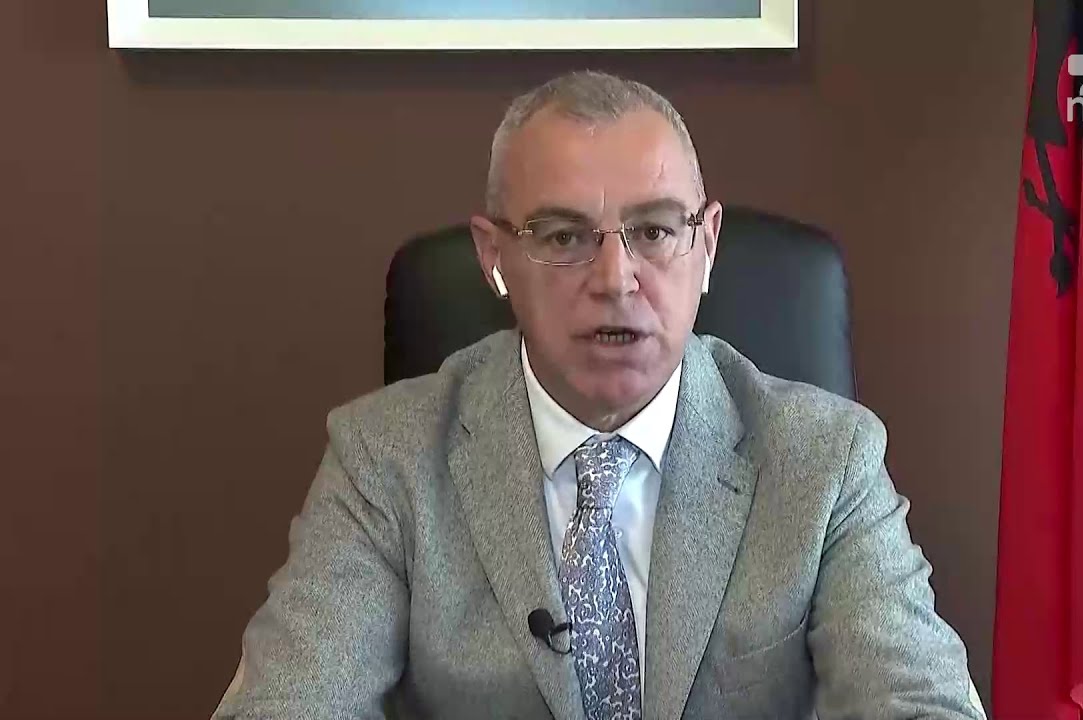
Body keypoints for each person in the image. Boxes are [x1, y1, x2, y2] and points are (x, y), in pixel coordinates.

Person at [213, 70, 986, 720]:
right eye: (562, 237)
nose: (617, 280)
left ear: (706, 246)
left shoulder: (826, 460)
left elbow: (923, 703)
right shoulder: (386, 461)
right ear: (495, 258)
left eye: (654, 232)